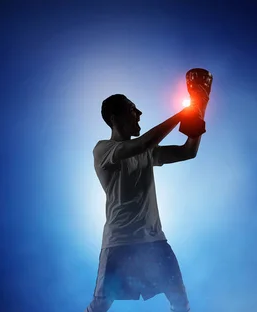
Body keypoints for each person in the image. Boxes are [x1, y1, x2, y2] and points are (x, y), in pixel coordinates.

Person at [85, 94, 205, 312]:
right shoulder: (102, 149)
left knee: (181, 302)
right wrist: (181, 115)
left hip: (153, 240)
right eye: (132, 109)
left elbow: (188, 151)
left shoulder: (146, 152)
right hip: (119, 241)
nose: (139, 114)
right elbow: (144, 143)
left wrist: (199, 112)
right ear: (115, 119)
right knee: (100, 306)